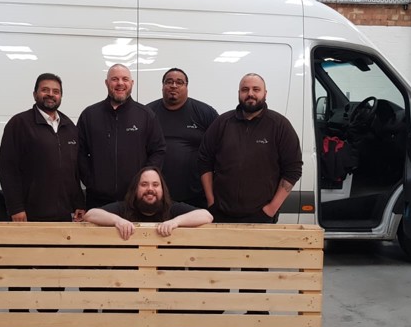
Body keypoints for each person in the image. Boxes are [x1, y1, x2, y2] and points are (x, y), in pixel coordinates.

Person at [199, 73, 303, 223]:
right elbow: (204, 161)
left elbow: (293, 170)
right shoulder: (222, 123)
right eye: (245, 89)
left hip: (262, 215)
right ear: (239, 93)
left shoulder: (280, 125)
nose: (250, 94)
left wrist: (271, 209)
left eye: (256, 89)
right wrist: (211, 201)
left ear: (265, 94)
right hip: (220, 213)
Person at [0, 73, 85, 222]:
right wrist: (16, 208)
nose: (51, 94)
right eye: (45, 90)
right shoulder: (19, 124)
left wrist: (79, 203)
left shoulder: (69, 127)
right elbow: (7, 168)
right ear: (35, 94)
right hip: (29, 214)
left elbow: (74, 172)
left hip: (64, 214)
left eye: (56, 91)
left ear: (61, 97)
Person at [77, 64, 166, 209]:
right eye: (114, 79)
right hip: (97, 200)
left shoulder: (146, 115)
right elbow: (79, 152)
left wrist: (143, 182)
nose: (120, 83)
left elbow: (158, 150)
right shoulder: (89, 115)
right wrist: (91, 180)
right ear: (107, 83)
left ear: (132, 83)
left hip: (135, 201)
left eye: (125, 79)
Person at [147, 67, 218, 208]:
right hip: (155, 195)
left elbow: (219, 151)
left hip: (196, 195)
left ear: (186, 86)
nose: (174, 85)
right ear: (162, 86)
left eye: (179, 82)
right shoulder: (148, 113)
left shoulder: (205, 113)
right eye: (169, 82)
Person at [83, 166, 213, 240]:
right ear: (136, 188)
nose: (150, 189)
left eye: (155, 184)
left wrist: (175, 222)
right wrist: (118, 221)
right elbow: (91, 214)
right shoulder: (125, 208)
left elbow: (207, 216)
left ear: (162, 189)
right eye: (144, 184)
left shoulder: (171, 208)